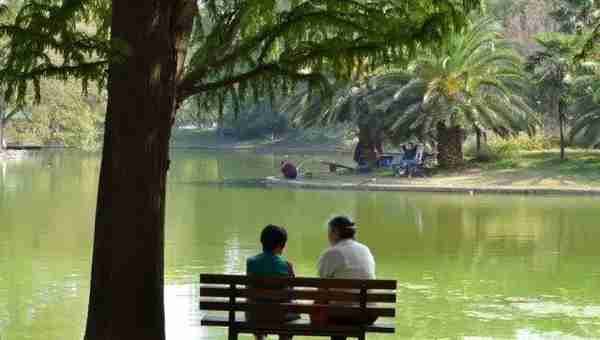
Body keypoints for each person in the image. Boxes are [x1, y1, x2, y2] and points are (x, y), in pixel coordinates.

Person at [317, 216, 377, 340]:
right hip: (368, 314)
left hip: (342, 316)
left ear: (335, 232)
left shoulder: (331, 253)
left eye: (329, 232)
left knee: (334, 306)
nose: (328, 236)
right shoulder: (365, 250)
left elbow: (322, 287)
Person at [246, 225, 299, 340]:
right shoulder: (287, 266)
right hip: (281, 316)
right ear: (282, 245)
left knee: (257, 305)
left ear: (262, 242)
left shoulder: (251, 263)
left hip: (255, 316)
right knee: (290, 306)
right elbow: (292, 291)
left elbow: (250, 289)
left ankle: (260, 338)